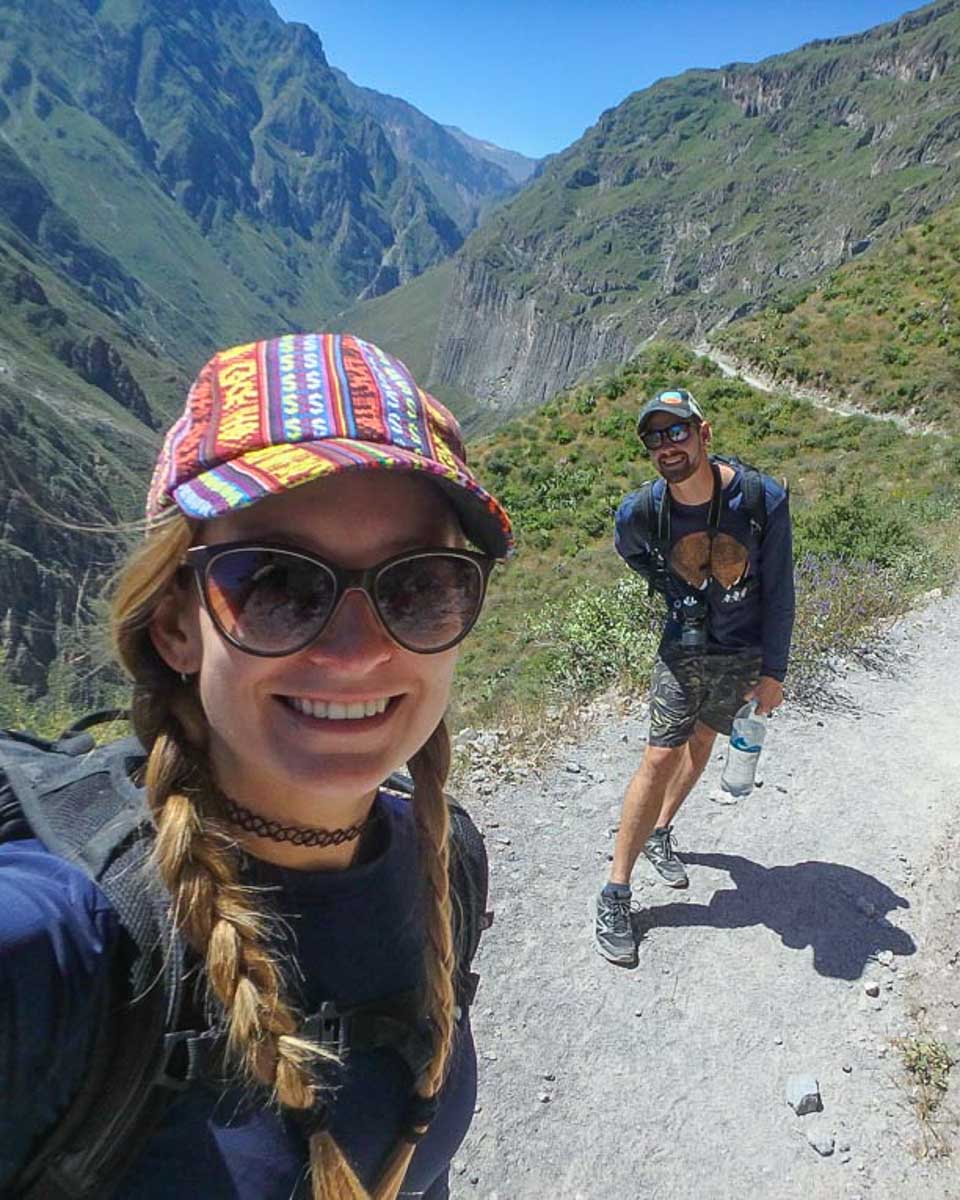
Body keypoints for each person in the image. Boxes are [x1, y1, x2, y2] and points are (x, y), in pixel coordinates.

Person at [0, 333, 513, 1198]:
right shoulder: (56, 950)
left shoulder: (444, 856)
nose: (357, 651)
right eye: (276, 583)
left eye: (421, 584)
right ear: (175, 626)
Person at [594, 387, 794, 967]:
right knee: (660, 755)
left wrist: (774, 672)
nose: (667, 445)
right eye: (654, 437)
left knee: (704, 739)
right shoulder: (642, 511)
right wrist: (670, 586)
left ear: (704, 434)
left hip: (743, 650)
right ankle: (615, 892)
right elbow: (630, 549)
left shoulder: (761, 498)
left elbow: (780, 589)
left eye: (677, 431)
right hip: (683, 647)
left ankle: (660, 832)